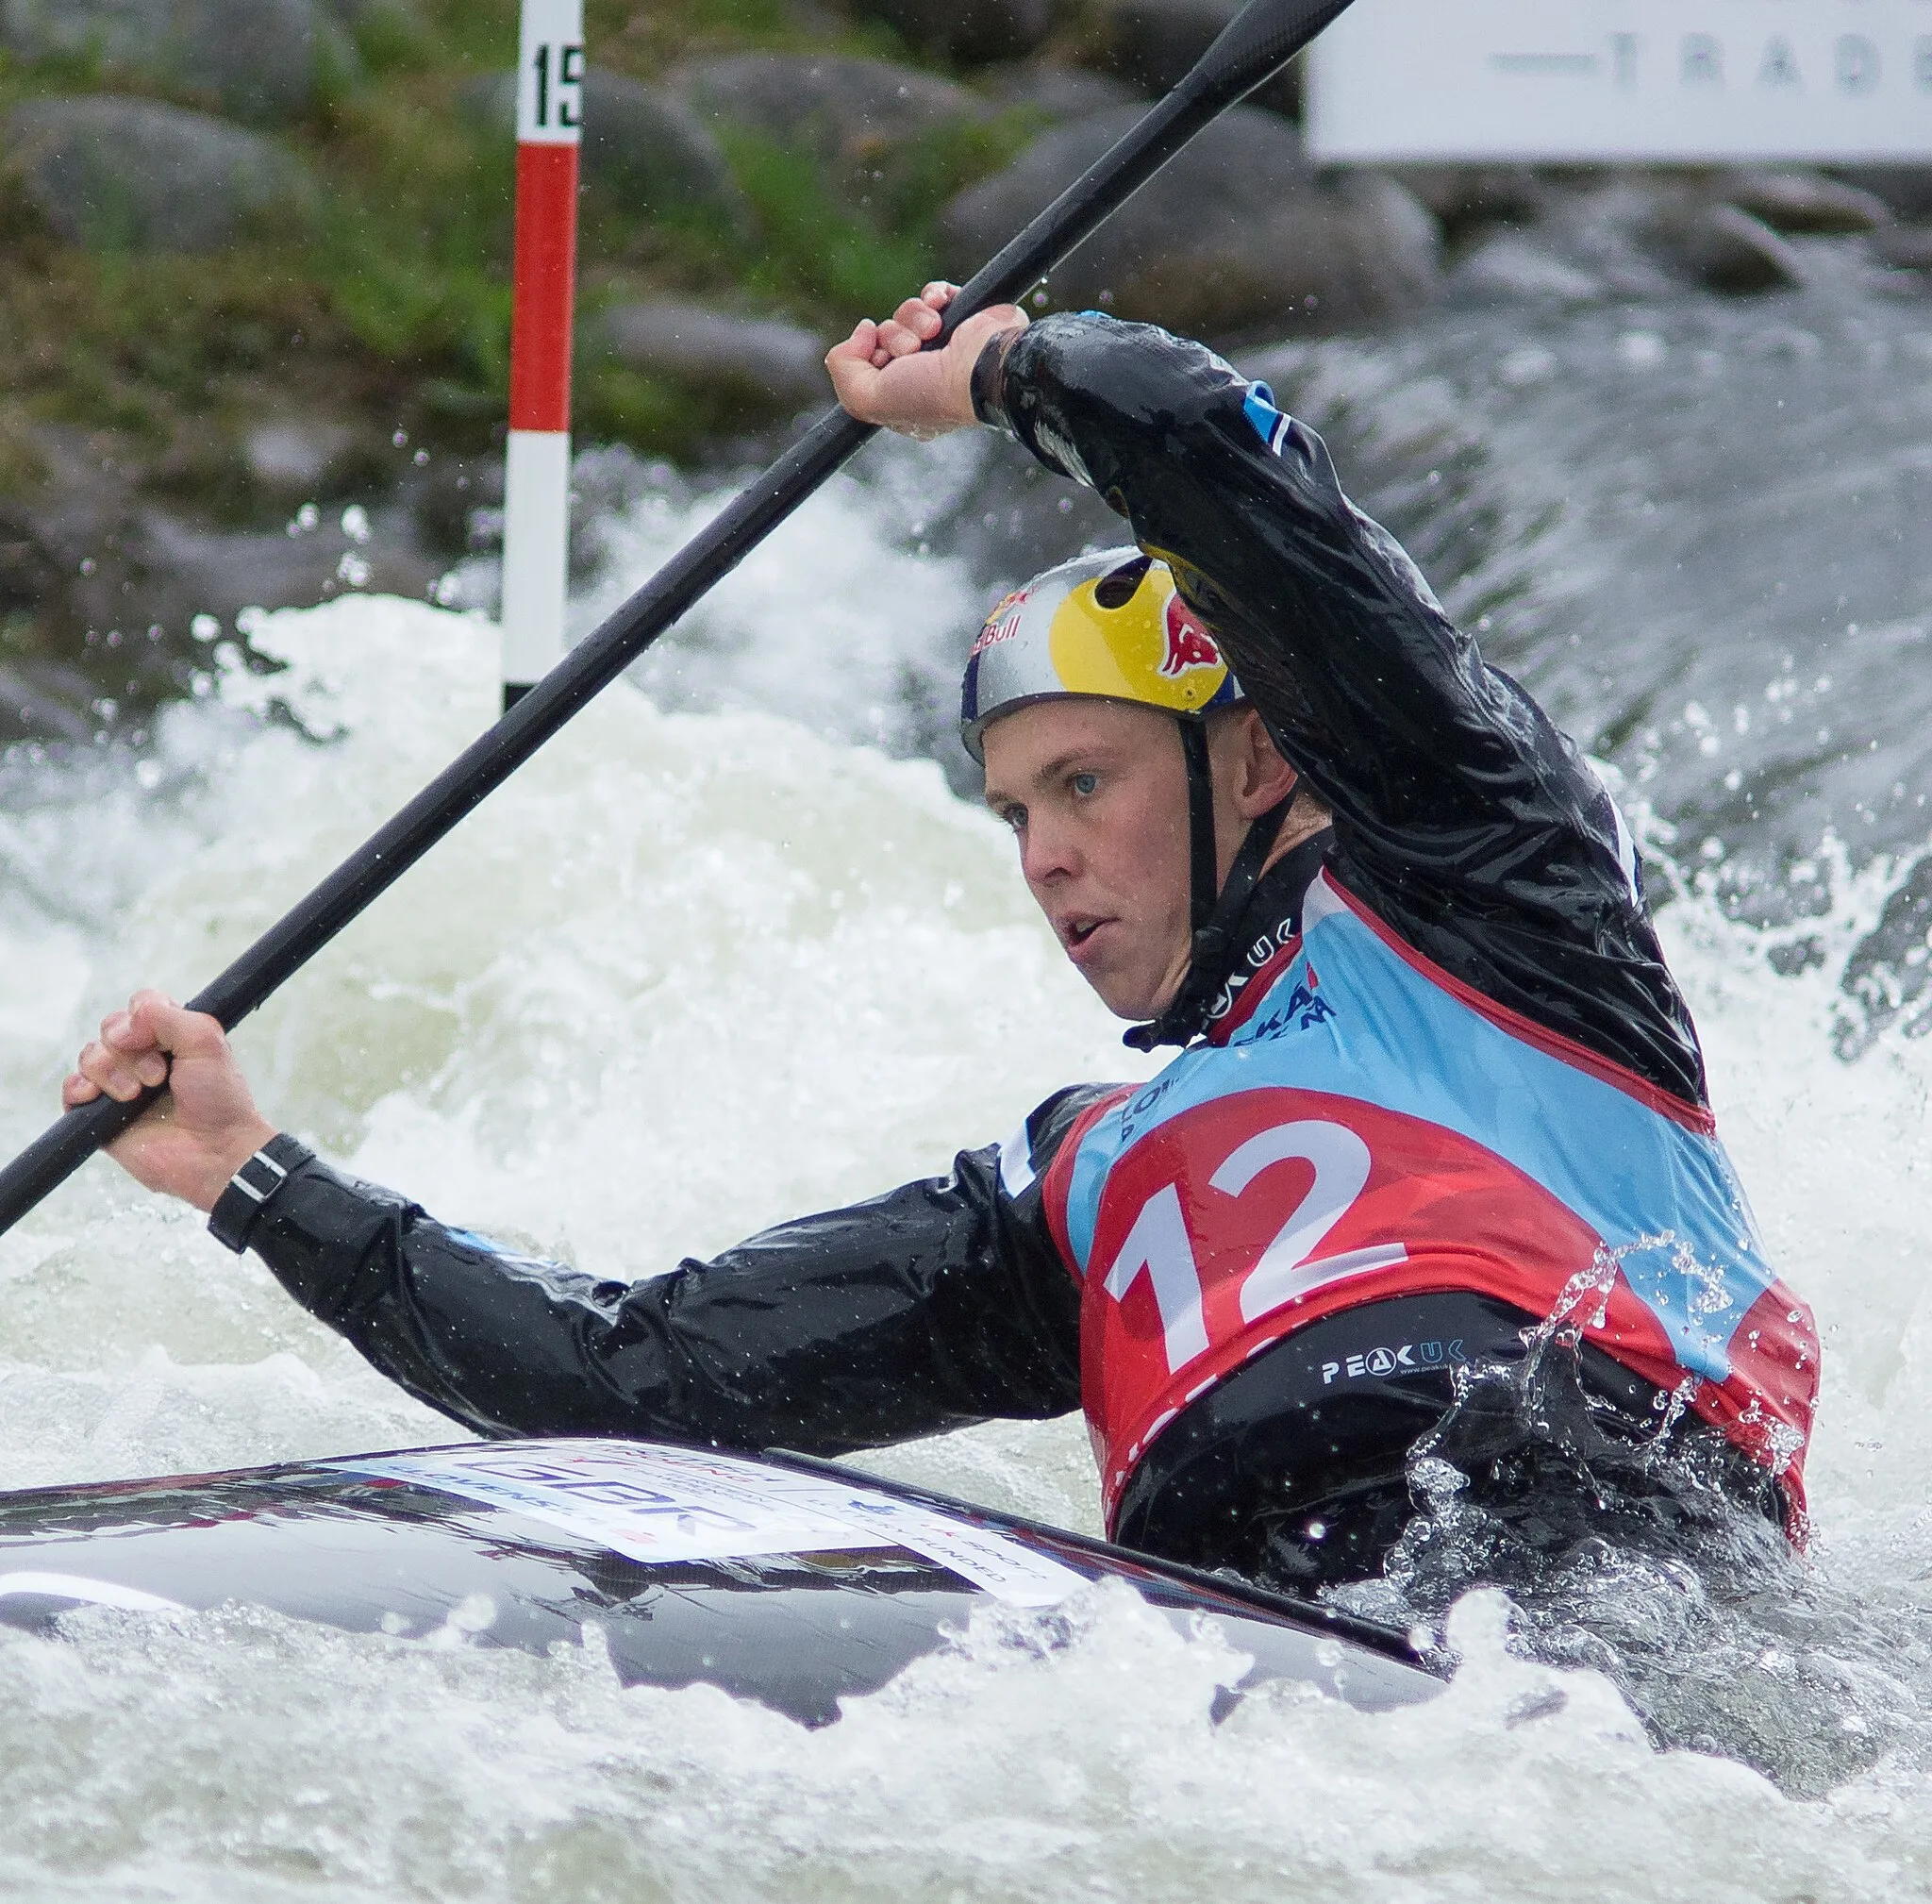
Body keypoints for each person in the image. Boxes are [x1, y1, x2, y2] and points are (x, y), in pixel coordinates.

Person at [66, 286, 1820, 1599]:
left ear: (1265, 753)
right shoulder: (1069, 1189)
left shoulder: (1493, 885)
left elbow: (1211, 449)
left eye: (1083, 782)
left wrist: (992, 373)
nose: (1047, 861)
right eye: (1011, 816)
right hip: (1261, 1634)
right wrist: (250, 1172)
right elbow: (631, 1375)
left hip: (1600, 1541)